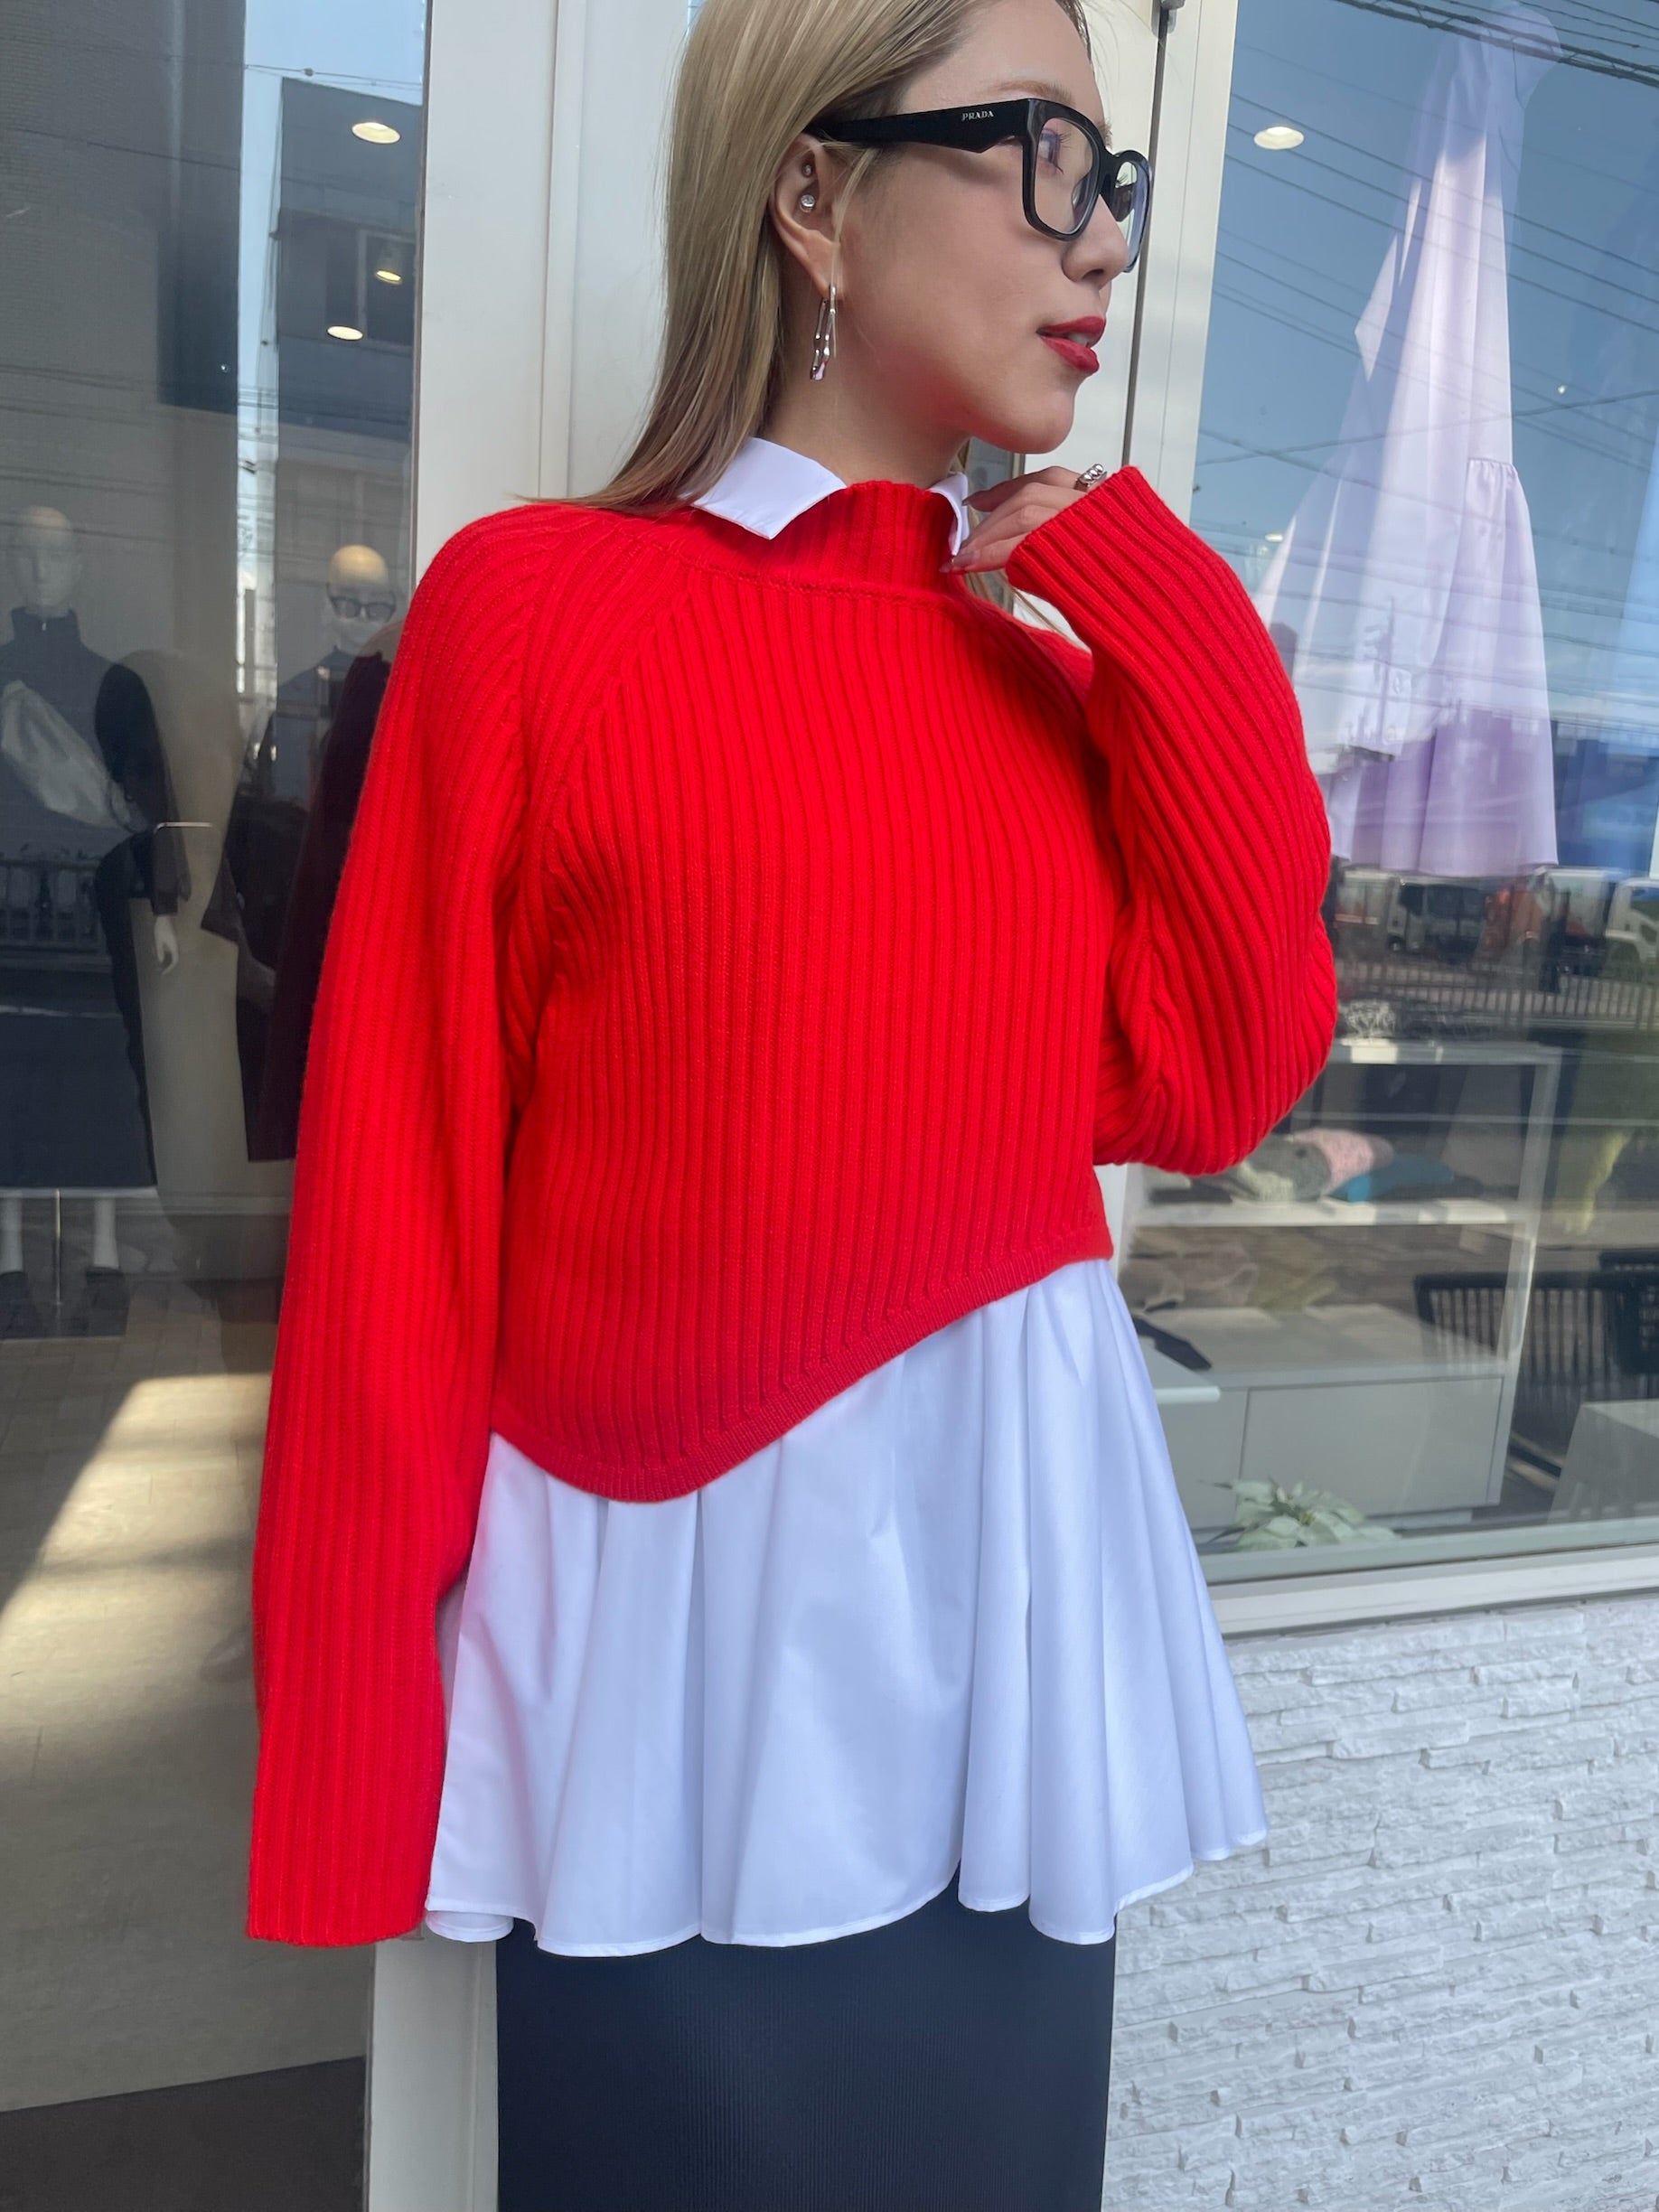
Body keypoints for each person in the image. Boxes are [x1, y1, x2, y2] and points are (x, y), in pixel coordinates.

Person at [247, 0, 1338, 2206]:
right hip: (670, 1690)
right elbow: (400, 1208)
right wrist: (353, 1758)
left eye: (1114, 177)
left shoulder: (1054, 686)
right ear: (812, 194)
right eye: (1040, 152)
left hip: (1001, 1669)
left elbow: (1220, 1068)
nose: (1103, 238)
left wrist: (1150, 597)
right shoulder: (539, 613)